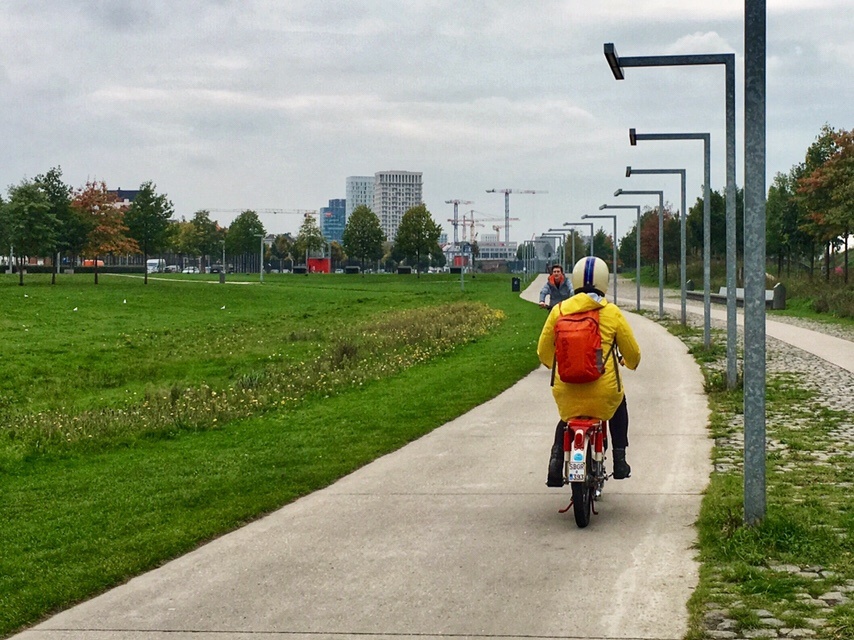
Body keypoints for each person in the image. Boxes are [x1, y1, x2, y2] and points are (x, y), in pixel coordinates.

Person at [536, 256, 641, 486]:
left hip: (567, 390)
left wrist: (556, 363)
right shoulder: (611, 313)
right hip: (604, 394)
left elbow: (543, 352)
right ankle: (620, 461)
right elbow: (632, 352)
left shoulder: (559, 311)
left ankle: (555, 462)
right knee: (619, 406)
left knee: (566, 419)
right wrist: (630, 363)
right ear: (604, 281)